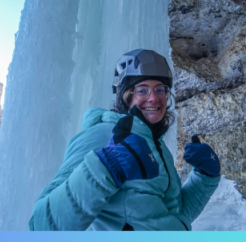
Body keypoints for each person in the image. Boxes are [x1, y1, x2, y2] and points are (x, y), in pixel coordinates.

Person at [29, 49, 221, 231]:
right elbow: (42, 224)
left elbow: (173, 216)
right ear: (125, 96)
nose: (154, 98)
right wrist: (107, 166)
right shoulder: (102, 135)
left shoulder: (158, 146)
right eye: (142, 90)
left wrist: (205, 177)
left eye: (161, 89)